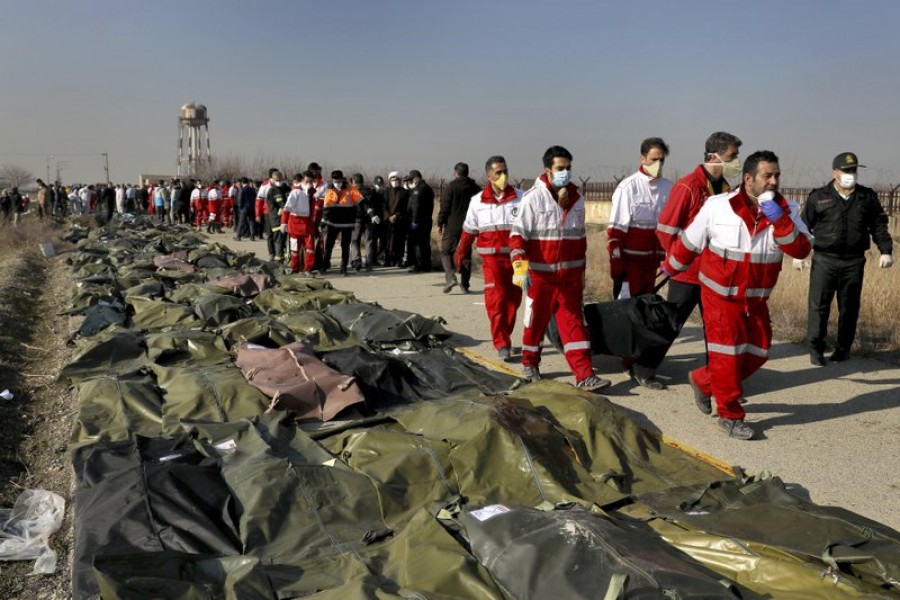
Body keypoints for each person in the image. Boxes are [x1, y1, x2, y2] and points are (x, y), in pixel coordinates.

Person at [663, 150, 811, 440]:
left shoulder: (789, 210)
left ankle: (703, 381)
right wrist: (670, 267)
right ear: (748, 179)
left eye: (777, 175)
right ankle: (729, 415)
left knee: (758, 351)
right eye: (767, 175)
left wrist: (780, 221)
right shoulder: (718, 206)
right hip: (720, 296)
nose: (773, 181)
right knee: (727, 355)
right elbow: (689, 242)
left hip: (756, 300)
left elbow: (801, 250)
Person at [509, 145, 612, 393]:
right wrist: (520, 268)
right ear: (547, 170)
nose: (565, 172)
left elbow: (580, 240)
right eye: (560, 168)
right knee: (535, 324)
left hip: (570, 280)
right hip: (540, 278)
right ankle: (530, 364)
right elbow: (517, 237)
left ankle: (584, 375)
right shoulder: (533, 198)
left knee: (575, 325)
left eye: (568, 168)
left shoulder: (577, 199)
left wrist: (582, 276)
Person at [802, 152, 893, 365]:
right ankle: (816, 349)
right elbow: (803, 226)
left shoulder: (867, 197)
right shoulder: (819, 197)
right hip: (825, 259)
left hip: (853, 261)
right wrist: (800, 254)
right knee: (818, 307)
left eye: (853, 170)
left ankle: (843, 350)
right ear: (835, 173)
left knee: (850, 307)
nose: (851, 174)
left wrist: (886, 250)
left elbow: (879, 225)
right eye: (846, 170)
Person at [657, 132, 743, 335]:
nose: (736, 162)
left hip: (714, 274)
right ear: (714, 157)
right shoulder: (688, 186)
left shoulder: (725, 189)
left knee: (715, 326)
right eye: (732, 157)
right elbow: (665, 230)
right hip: (687, 274)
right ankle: (644, 365)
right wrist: (678, 260)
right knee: (671, 325)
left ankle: (714, 367)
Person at [607, 137, 674, 389]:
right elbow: (615, 232)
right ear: (642, 158)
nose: (658, 164)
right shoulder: (628, 188)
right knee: (628, 313)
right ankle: (627, 358)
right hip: (630, 265)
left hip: (653, 265)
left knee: (648, 314)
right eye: (654, 159)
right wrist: (617, 266)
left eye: (662, 160)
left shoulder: (669, 188)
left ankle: (640, 358)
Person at [455, 155, 523, 358]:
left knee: (513, 301)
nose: (503, 176)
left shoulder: (522, 197)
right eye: (498, 172)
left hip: (518, 260)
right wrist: (460, 255)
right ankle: (501, 342)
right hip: (492, 261)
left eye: (505, 171)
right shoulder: (477, 202)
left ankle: (506, 338)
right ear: (489, 176)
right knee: (496, 300)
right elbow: (468, 232)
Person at [438, 162, 480, 293]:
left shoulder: (451, 187)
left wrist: (440, 223)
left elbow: (444, 208)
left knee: (446, 252)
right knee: (466, 254)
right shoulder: (476, 188)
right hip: (470, 226)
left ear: (456, 173)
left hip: (452, 226)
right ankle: (465, 284)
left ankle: (451, 277)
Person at [321, 170, 360, 275]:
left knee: (345, 246)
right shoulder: (329, 190)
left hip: (347, 223)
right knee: (329, 245)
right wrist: (323, 222)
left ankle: (343, 268)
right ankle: (325, 265)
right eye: (334, 181)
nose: (337, 183)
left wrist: (370, 213)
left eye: (338, 181)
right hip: (333, 223)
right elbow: (326, 208)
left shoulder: (351, 189)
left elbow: (360, 202)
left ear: (342, 179)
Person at [281, 172, 318, 274]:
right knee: (294, 249)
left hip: (308, 225)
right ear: (302, 180)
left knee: (310, 249)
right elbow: (287, 207)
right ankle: (294, 268)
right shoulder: (295, 192)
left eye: (311, 182)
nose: (309, 184)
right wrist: (283, 222)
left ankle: (308, 269)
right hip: (295, 225)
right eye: (307, 181)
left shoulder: (312, 193)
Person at [403, 169, 435, 272]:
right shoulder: (426, 188)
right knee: (425, 243)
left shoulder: (419, 190)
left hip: (418, 221)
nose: (410, 183)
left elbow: (416, 207)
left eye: (411, 180)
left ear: (417, 178)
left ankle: (418, 265)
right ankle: (426, 266)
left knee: (418, 244)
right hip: (425, 221)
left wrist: (414, 221)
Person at [384, 170, 408, 267]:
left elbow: (405, 207)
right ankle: (388, 260)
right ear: (389, 180)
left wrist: (396, 215)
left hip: (400, 220)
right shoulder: (386, 192)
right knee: (388, 241)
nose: (394, 181)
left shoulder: (404, 192)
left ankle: (399, 260)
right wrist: (388, 216)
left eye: (396, 179)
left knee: (400, 241)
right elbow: (383, 206)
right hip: (388, 221)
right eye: (392, 179)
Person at [265, 172, 289, 259]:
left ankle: (287, 257)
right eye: (276, 180)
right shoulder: (272, 191)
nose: (278, 182)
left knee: (287, 239)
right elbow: (274, 204)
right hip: (276, 219)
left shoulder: (287, 189)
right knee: (278, 239)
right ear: (273, 180)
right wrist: (281, 209)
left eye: (280, 180)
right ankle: (278, 258)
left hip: (287, 219)